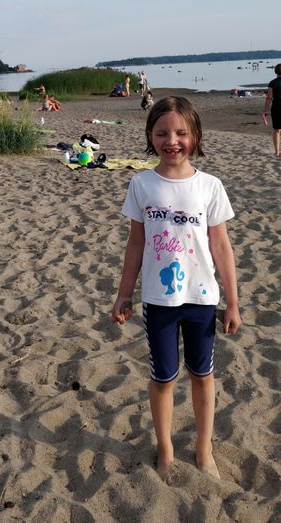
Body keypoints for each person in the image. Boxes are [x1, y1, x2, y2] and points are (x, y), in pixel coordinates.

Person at [111, 96, 241, 481]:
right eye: (162, 133)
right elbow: (135, 243)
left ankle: (204, 449)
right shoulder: (141, 184)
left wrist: (232, 301)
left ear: (195, 136)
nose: (172, 141)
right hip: (158, 300)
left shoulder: (210, 186)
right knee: (164, 377)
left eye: (181, 133)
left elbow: (221, 246)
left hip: (202, 299)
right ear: (150, 137)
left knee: (203, 374)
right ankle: (165, 449)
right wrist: (124, 293)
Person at [263, 63, 281, 157]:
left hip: (277, 107)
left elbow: (269, 97)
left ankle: (277, 152)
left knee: (277, 129)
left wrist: (265, 109)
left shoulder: (272, 83)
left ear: (275, 72)